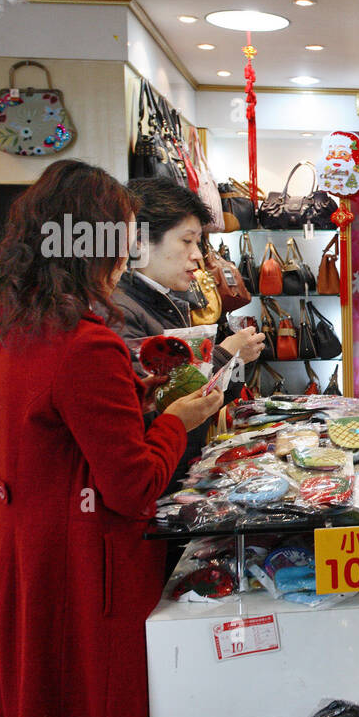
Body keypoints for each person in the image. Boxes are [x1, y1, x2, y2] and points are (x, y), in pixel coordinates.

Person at [0, 160, 226, 717]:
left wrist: (138, 400)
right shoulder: (84, 344)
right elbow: (132, 484)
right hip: (85, 571)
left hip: (18, 563)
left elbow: (42, 441)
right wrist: (176, 419)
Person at [112, 178, 264, 490]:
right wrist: (224, 355)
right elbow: (154, 412)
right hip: (155, 484)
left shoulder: (174, 300)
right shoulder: (120, 313)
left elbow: (208, 403)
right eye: (186, 241)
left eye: (199, 243)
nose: (197, 255)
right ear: (139, 241)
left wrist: (235, 360)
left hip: (180, 472)